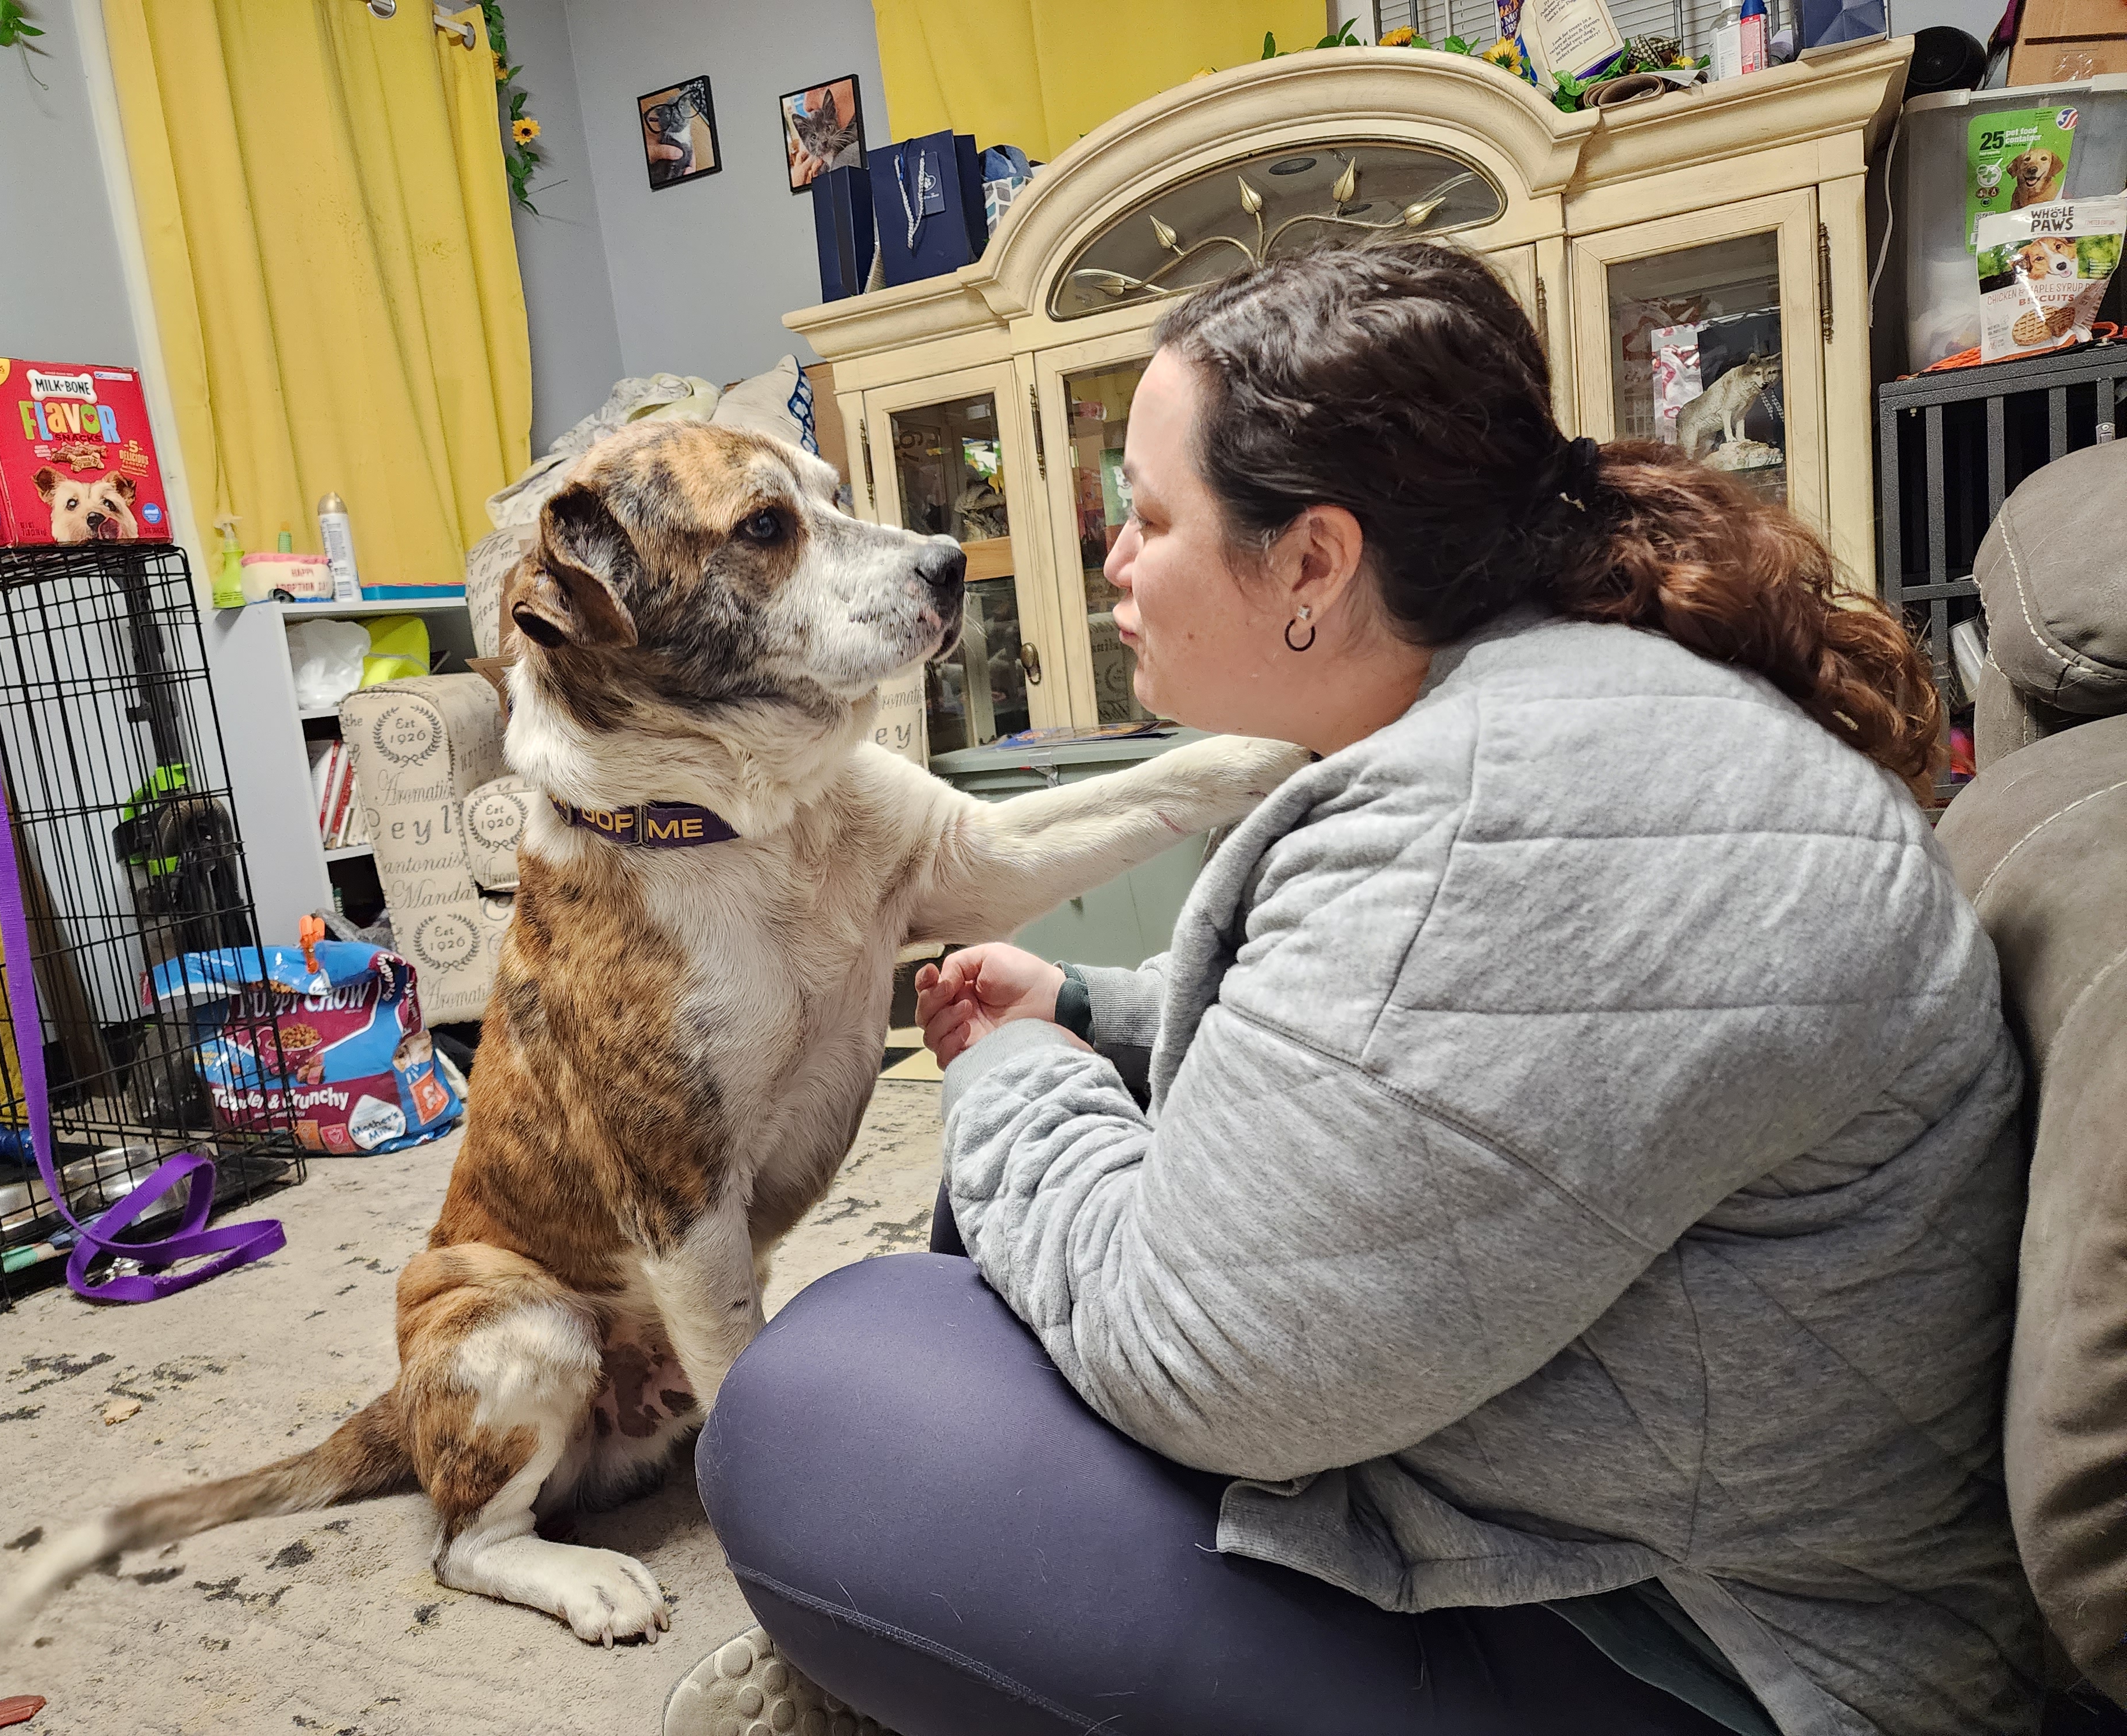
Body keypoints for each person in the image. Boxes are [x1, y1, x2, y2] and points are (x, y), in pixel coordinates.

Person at [661, 238, 2037, 1736]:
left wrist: (1008, 1064)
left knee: (816, 1405)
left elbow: (1193, 1356)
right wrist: (1092, 1014)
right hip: (1655, 1512)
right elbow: (1425, 1062)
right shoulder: (1564, 709)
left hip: (1724, 1657)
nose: (1112, 561)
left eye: (1150, 519)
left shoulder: (1495, 824)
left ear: (1313, 563)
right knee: (981, 1259)